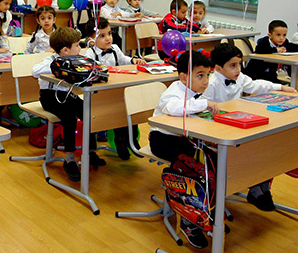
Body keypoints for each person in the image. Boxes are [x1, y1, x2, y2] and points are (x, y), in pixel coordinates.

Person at [203, 43, 296, 211]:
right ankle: (255, 189)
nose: (238, 69)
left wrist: (281, 87)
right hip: (218, 131)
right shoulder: (211, 84)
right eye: (233, 65)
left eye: (239, 64)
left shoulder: (239, 77)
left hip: (237, 125)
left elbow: (256, 85)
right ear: (218, 68)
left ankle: (262, 185)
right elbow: (203, 109)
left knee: (264, 144)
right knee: (250, 150)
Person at [149, 50, 220, 249]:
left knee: (213, 160)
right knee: (191, 168)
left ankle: (206, 209)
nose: (206, 81)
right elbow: (172, 108)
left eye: (208, 75)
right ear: (183, 77)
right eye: (200, 76)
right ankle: (189, 220)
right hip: (163, 140)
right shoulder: (173, 91)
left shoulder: (195, 90)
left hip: (185, 139)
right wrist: (204, 103)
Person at [32, 27, 107, 181]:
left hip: (67, 96)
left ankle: (90, 151)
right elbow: (35, 71)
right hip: (50, 97)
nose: (80, 48)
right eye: (77, 46)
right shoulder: (50, 60)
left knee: (89, 113)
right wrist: (59, 65)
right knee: (69, 118)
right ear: (65, 50)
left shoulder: (77, 58)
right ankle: (69, 159)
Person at [83, 18, 146, 160]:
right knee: (107, 114)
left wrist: (133, 60)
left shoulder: (115, 49)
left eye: (109, 33)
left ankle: (130, 139)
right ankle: (115, 141)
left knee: (129, 107)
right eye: (102, 36)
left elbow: (124, 60)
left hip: (117, 91)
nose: (108, 38)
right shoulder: (90, 54)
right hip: (99, 95)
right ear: (91, 40)